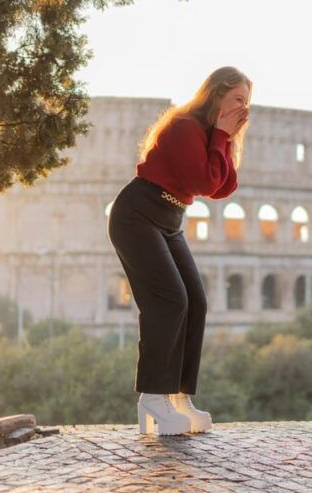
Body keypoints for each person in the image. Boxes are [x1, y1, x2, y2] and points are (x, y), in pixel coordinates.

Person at [107, 67, 251, 435]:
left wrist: (227, 140)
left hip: (170, 218)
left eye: (247, 103)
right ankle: (152, 397)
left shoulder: (208, 134)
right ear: (216, 94)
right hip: (137, 213)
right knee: (169, 301)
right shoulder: (185, 126)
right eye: (237, 99)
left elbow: (223, 187)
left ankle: (179, 396)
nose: (242, 108)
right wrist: (220, 135)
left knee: (195, 302)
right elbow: (203, 181)